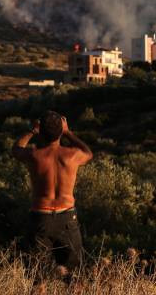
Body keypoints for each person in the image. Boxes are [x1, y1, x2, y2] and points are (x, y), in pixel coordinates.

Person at [12, 110, 93, 282]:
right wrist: (68, 132)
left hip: (40, 218)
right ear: (60, 131)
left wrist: (32, 131)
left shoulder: (34, 156)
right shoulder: (72, 155)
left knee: (36, 276)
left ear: (40, 130)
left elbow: (16, 149)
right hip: (67, 218)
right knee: (73, 278)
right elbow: (88, 153)